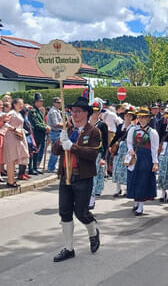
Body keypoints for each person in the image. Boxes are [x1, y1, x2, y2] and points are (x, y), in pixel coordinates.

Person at [51, 96, 101, 262]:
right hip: (66, 176)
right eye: (73, 111)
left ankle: (93, 232)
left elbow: (92, 154)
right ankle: (69, 248)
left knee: (81, 212)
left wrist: (72, 146)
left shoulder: (93, 132)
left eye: (78, 111)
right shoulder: (68, 130)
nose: (75, 114)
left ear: (86, 113)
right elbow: (55, 151)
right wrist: (60, 140)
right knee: (64, 212)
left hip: (83, 177)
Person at [126, 107, 159, 216]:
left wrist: (155, 162)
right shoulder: (132, 129)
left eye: (144, 117)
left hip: (146, 158)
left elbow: (154, 148)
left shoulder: (152, 132)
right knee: (133, 179)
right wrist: (130, 151)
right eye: (140, 117)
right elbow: (129, 142)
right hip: (135, 157)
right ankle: (136, 202)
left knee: (143, 181)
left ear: (148, 119)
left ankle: (140, 206)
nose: (142, 119)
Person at [110, 106, 136, 197]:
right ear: (124, 116)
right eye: (126, 115)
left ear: (132, 117)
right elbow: (116, 136)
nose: (128, 117)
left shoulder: (133, 127)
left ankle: (126, 189)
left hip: (128, 149)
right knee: (117, 168)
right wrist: (110, 146)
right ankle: (118, 188)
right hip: (119, 148)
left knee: (126, 169)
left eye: (130, 116)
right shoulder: (120, 126)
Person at [4, 98, 30, 187]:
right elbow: (4, 123)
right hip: (11, 137)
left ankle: (12, 179)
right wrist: (14, 129)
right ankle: (10, 180)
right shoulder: (12, 113)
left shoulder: (17, 113)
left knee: (14, 158)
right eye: (20, 104)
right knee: (11, 159)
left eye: (22, 104)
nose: (21, 106)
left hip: (17, 137)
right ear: (14, 104)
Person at [88, 99, 108, 209]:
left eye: (96, 111)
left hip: (96, 153)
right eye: (92, 110)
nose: (94, 113)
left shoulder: (102, 125)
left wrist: (104, 157)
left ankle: (91, 199)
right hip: (85, 153)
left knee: (93, 176)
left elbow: (105, 142)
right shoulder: (85, 124)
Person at [29, 93, 49, 175]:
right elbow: (35, 124)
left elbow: (42, 122)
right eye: (40, 101)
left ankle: (35, 167)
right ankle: (31, 168)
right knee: (33, 152)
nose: (41, 103)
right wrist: (45, 127)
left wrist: (46, 126)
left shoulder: (39, 111)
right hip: (35, 134)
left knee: (37, 151)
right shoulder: (33, 111)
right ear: (35, 102)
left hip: (40, 134)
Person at [47, 97, 63, 173]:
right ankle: (51, 167)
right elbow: (56, 124)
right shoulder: (53, 111)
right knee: (55, 150)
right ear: (54, 103)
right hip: (55, 132)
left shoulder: (57, 111)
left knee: (56, 150)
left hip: (57, 132)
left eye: (60, 102)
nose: (59, 104)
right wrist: (65, 125)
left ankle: (52, 166)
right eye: (58, 102)